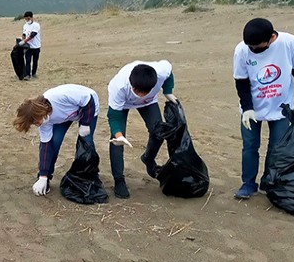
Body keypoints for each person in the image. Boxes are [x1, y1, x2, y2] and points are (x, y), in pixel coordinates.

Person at [232, 18, 294, 199]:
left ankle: (268, 181)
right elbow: (241, 81)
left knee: (277, 146)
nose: (253, 50)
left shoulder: (289, 43)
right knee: (249, 146)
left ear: (271, 38)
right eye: (250, 47)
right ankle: (248, 183)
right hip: (252, 108)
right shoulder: (242, 50)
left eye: (257, 47)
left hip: (281, 107)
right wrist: (247, 108)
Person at [107, 60, 178, 199]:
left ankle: (148, 159)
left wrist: (168, 92)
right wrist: (119, 134)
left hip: (148, 103)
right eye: (136, 91)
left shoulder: (160, 72)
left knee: (159, 131)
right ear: (131, 84)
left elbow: (169, 73)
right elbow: (114, 116)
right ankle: (119, 180)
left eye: (144, 92)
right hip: (123, 104)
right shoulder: (119, 86)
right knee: (117, 141)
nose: (139, 95)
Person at [13, 84, 99, 196]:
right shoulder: (44, 122)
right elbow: (46, 147)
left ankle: (87, 178)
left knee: (86, 142)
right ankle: (45, 180)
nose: (36, 125)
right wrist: (43, 175)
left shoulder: (60, 97)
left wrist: (85, 123)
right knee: (54, 143)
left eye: (35, 122)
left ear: (39, 113)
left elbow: (88, 99)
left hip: (88, 108)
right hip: (63, 118)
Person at [17, 11, 41, 81]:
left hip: (36, 46)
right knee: (27, 61)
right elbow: (24, 34)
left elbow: (32, 35)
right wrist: (22, 38)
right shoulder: (25, 25)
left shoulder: (36, 25)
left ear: (31, 17)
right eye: (26, 19)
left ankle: (34, 73)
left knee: (35, 61)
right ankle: (27, 75)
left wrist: (25, 41)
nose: (27, 20)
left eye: (28, 18)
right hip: (28, 47)